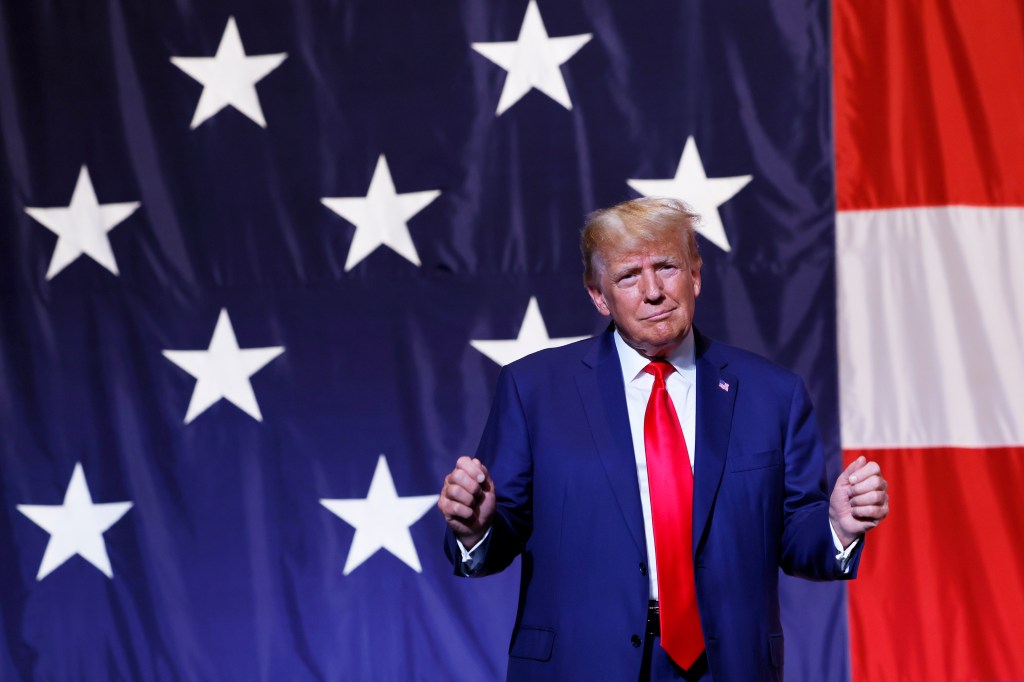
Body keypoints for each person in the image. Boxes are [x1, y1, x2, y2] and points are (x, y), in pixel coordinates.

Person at [438, 197, 889, 681]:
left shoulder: (773, 394)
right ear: (599, 295)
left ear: (695, 276)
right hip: (580, 664)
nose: (652, 291)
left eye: (667, 267)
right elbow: (499, 539)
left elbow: (797, 537)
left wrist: (837, 527)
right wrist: (476, 529)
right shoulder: (534, 391)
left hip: (727, 666)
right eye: (629, 276)